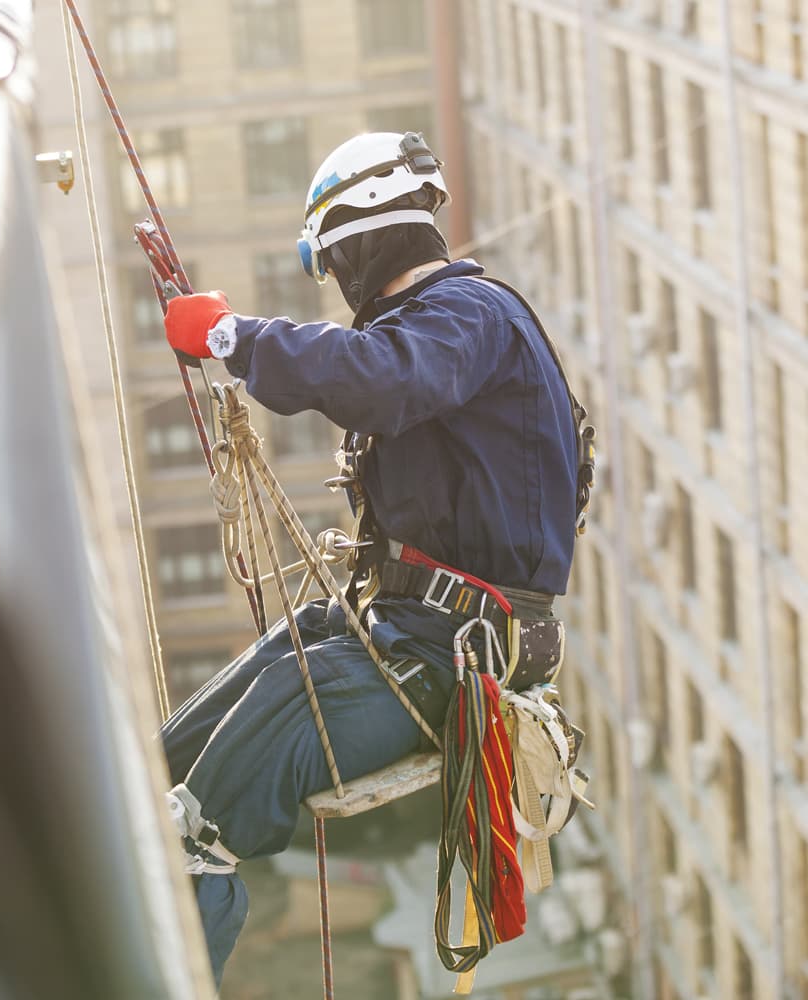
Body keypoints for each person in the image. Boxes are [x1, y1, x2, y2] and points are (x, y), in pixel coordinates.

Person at [159, 131, 582, 985]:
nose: (336, 283)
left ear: (355, 236)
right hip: (399, 629)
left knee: (208, 821)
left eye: (331, 260)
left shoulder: (471, 318)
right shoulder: (453, 333)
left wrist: (235, 340)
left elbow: (384, 376)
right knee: (171, 759)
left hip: (450, 654)